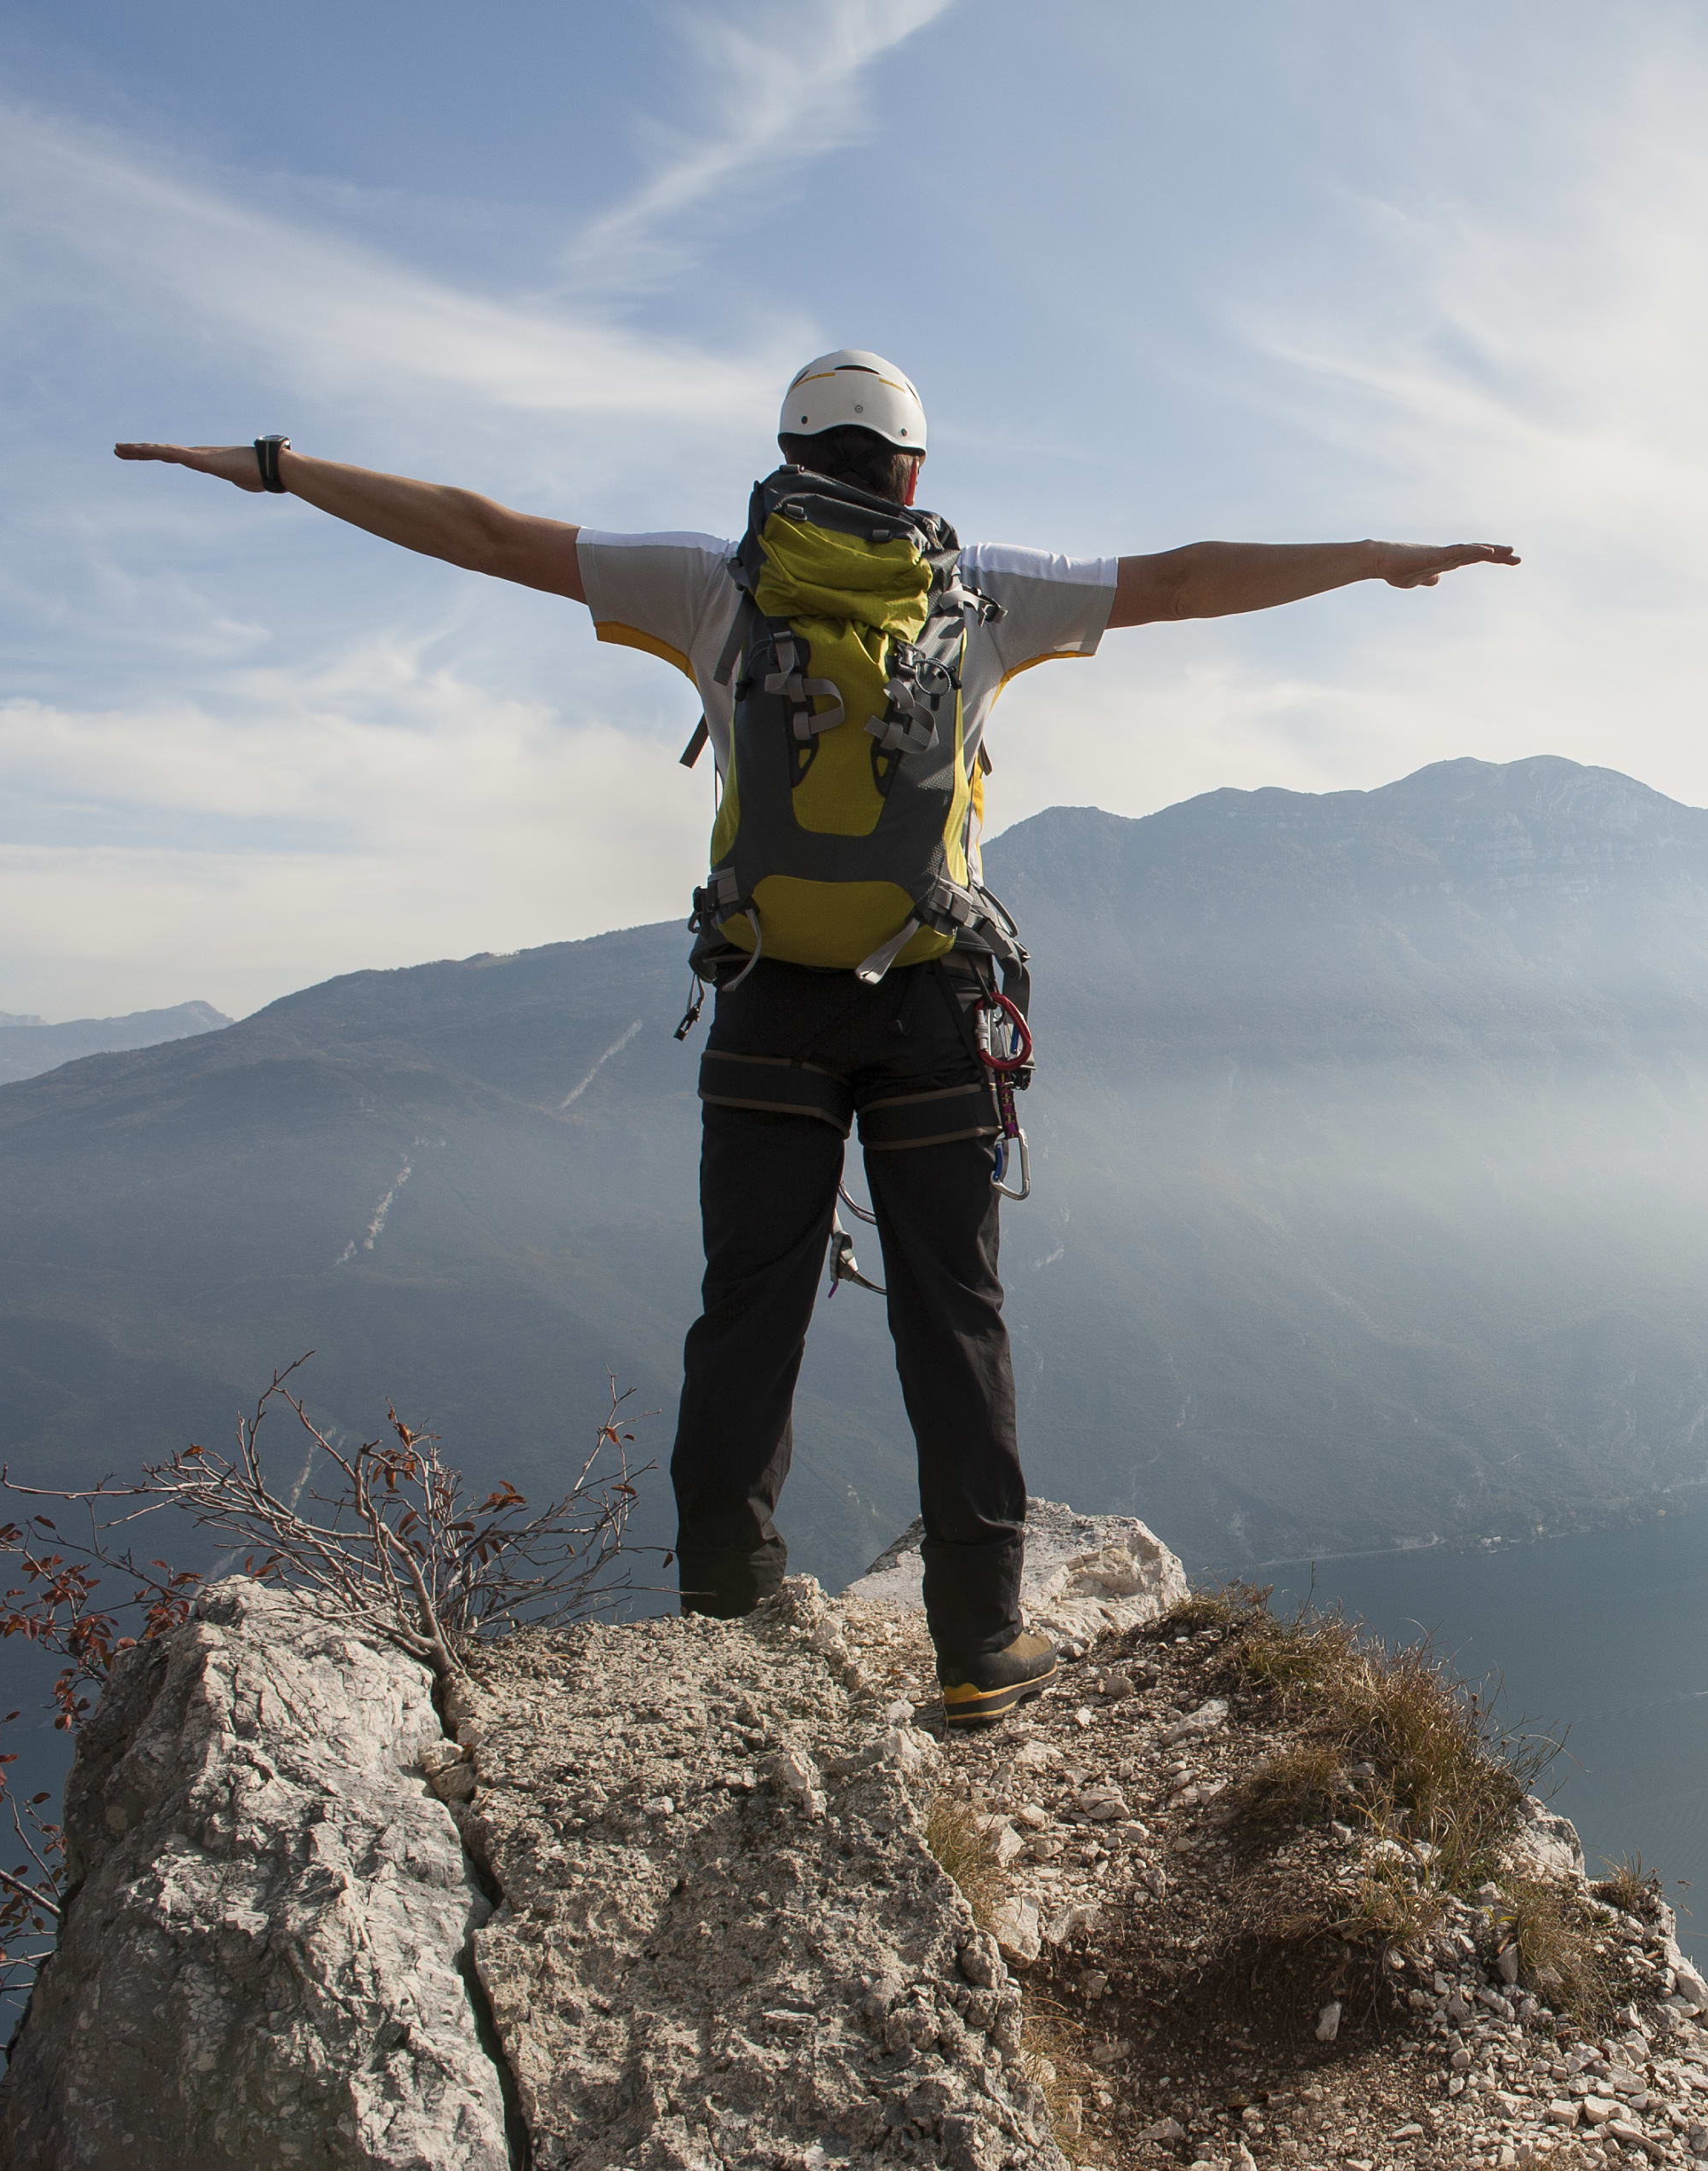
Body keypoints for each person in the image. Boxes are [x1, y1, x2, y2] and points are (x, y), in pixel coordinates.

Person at [117, 350, 1517, 1728]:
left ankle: (729, 1630)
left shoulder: (710, 582)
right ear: (914, 468)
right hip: (932, 1002)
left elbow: (482, 532)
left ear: (789, 457)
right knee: (953, 1315)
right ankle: (977, 1641)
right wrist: (1380, 555)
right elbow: (1189, 577)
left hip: (770, 998)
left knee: (751, 1313)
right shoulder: (988, 592)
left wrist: (277, 468)